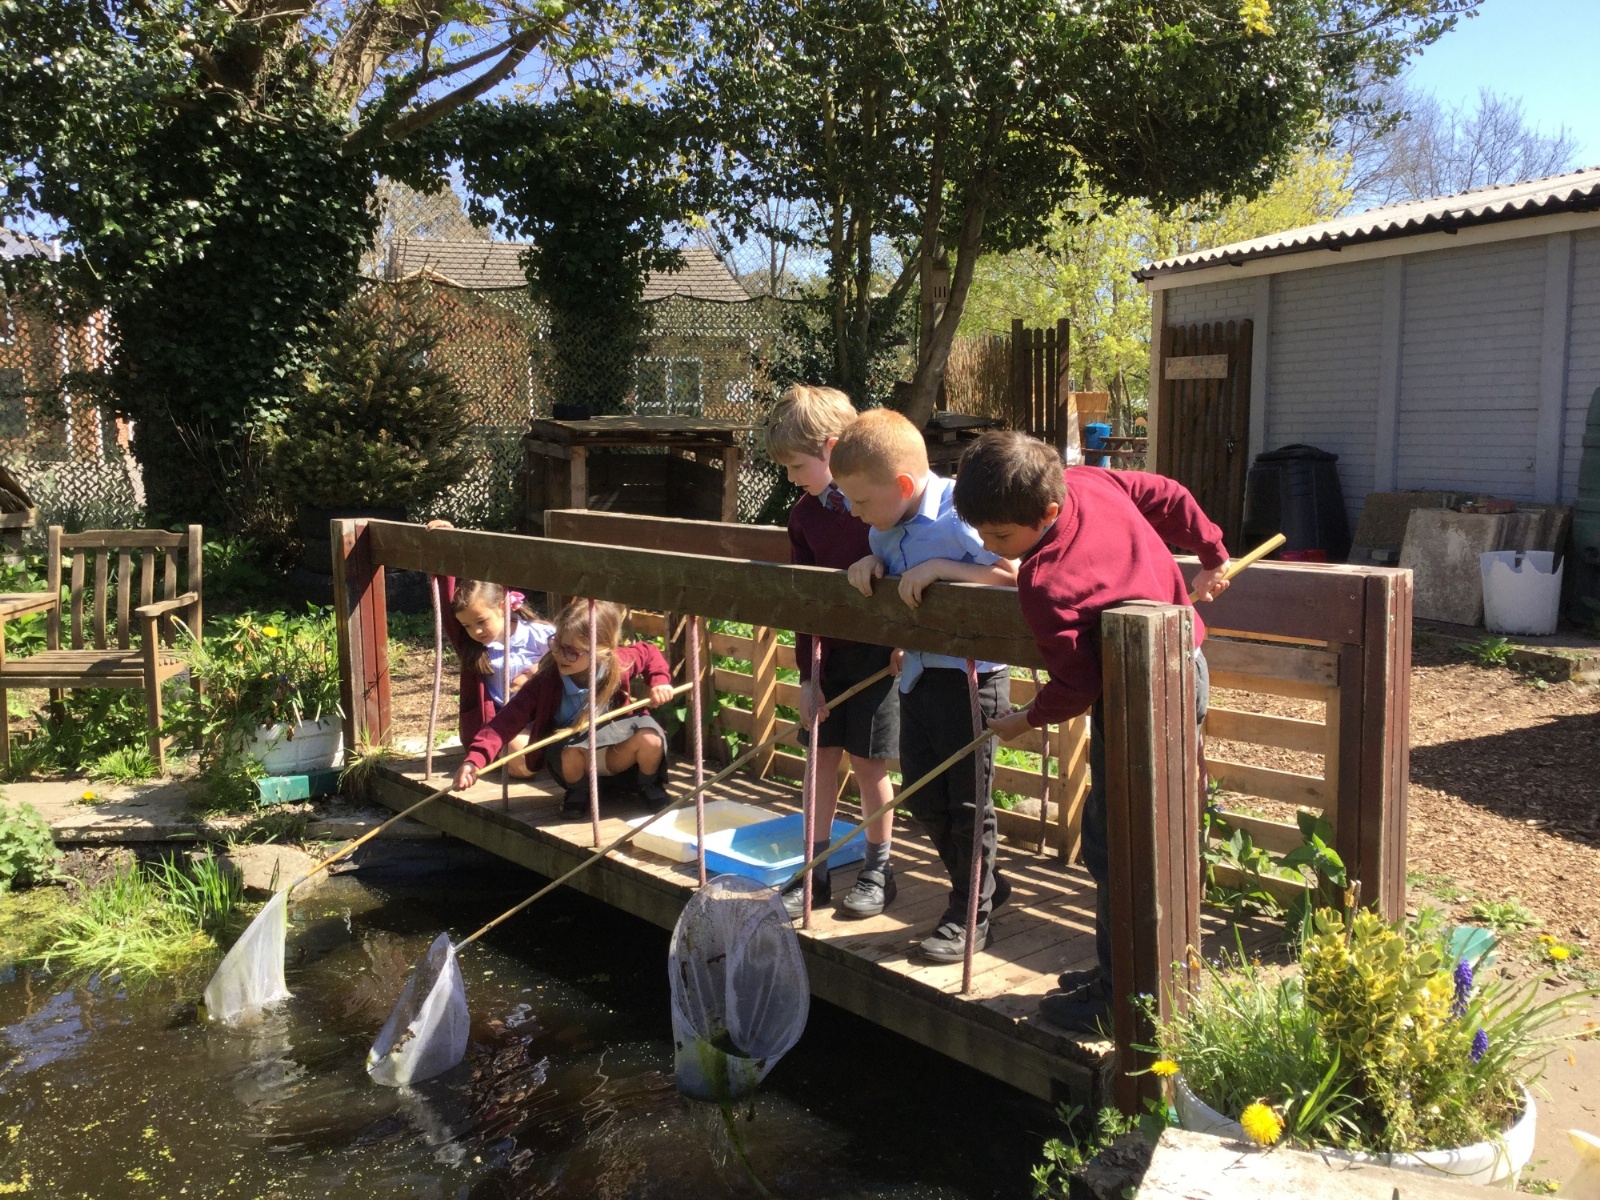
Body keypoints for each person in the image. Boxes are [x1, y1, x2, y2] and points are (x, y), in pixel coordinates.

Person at [951, 430, 1231, 1033]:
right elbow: (1170, 496)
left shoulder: (1045, 582)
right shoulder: (1090, 481)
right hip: (1186, 670)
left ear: (1047, 511)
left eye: (1000, 536)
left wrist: (1024, 719)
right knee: (1138, 835)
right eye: (980, 533)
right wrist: (1212, 552)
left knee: (1116, 843)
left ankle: (1120, 993)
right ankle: (1122, 969)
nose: (989, 546)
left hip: (1134, 701)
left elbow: (1076, 685)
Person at [834, 409, 1019, 963]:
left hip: (971, 679)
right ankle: (985, 886)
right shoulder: (882, 529)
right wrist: (870, 562)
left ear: (902, 485)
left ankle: (968, 915)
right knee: (922, 795)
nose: (853, 512)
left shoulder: (962, 515)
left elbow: (1011, 577)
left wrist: (943, 567)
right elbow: (896, 577)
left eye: (860, 501)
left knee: (968, 803)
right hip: (916, 675)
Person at [763, 385, 901, 921]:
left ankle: (877, 869)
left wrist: (902, 642)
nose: (791, 477)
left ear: (832, 448)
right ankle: (814, 870)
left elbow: (906, 571)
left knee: (868, 764)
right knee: (819, 760)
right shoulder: (804, 516)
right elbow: (806, 600)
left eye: (797, 465)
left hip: (878, 657)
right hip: (828, 657)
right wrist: (807, 676)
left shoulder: (877, 505)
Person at [453, 599, 675, 812]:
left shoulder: (618, 663)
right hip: (575, 755)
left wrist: (659, 682)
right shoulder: (545, 682)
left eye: (571, 651)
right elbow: (504, 722)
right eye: (556, 645)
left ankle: (648, 785)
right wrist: (475, 760)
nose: (560, 655)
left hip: (616, 747)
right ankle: (578, 792)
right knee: (569, 751)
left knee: (650, 737)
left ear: (601, 651)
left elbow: (649, 653)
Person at [425, 518, 555, 760]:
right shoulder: (473, 647)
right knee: (520, 756)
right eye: (467, 626)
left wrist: (536, 671)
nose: (476, 631)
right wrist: (446, 544)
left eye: (481, 621)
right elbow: (445, 604)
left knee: (537, 752)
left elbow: (572, 654)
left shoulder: (540, 635)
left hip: (542, 718)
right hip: (502, 725)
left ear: (502, 607)